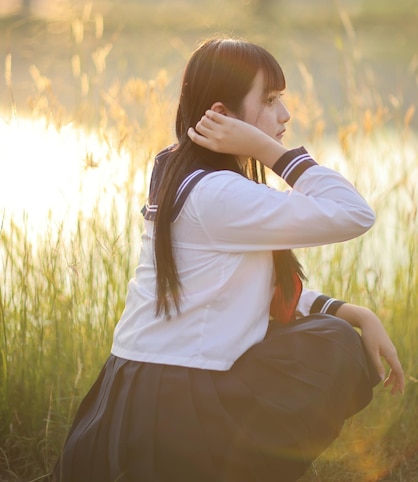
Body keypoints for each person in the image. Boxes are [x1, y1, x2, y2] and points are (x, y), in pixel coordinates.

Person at [54, 38, 404, 482]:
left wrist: (347, 309)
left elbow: (231, 290)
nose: (284, 115)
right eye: (271, 100)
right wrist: (271, 153)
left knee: (331, 329)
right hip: (169, 408)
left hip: (142, 393)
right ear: (222, 114)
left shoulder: (188, 175)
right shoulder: (217, 193)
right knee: (332, 345)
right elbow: (354, 212)